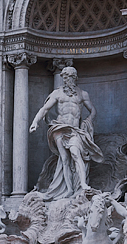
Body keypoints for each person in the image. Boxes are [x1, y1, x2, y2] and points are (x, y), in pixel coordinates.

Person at [28, 66, 102, 198]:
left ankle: (83, 184)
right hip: (60, 128)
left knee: (75, 153)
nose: (67, 79)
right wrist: (35, 122)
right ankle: (68, 189)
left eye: (70, 77)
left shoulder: (83, 94)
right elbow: (45, 109)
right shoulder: (57, 93)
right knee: (64, 159)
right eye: (65, 77)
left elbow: (93, 110)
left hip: (74, 130)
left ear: (75, 78)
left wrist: (88, 121)